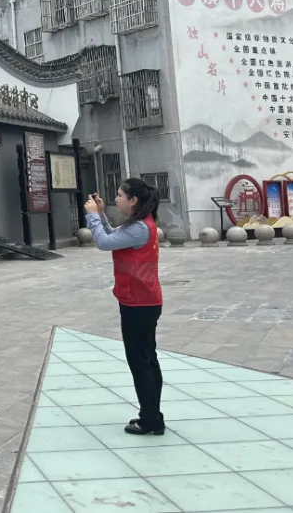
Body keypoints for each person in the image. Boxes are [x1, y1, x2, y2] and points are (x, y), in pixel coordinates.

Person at [84, 178, 164, 436]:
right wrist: (101, 215)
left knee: (141, 362)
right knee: (147, 359)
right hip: (142, 299)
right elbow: (112, 236)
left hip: (139, 302)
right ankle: (153, 416)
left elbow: (104, 242)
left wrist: (92, 216)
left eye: (119, 195)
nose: (115, 199)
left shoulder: (139, 228)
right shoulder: (139, 224)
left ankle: (150, 419)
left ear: (133, 200)